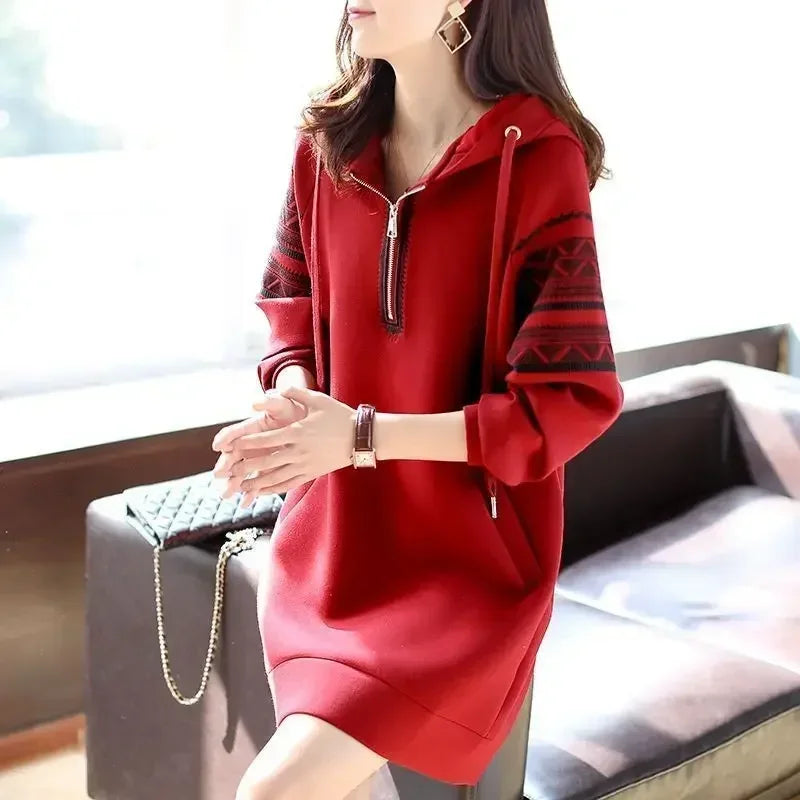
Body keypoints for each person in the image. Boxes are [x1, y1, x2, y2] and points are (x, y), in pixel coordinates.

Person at [211, 0, 625, 797]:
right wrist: (296, 412)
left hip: (464, 576)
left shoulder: (538, 159)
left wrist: (358, 437)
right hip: (329, 553)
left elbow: (564, 400)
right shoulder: (326, 144)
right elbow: (290, 311)